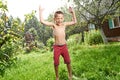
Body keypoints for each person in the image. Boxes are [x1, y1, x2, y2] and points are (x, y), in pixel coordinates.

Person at [39, 5, 77, 80]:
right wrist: (40, 12)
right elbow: (42, 21)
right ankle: (57, 77)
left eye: (61, 18)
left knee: (68, 61)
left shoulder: (64, 24)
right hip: (57, 47)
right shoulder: (54, 25)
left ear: (63, 18)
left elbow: (75, 21)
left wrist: (73, 12)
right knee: (56, 63)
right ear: (55, 19)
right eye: (58, 18)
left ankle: (70, 75)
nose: (59, 20)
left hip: (64, 46)